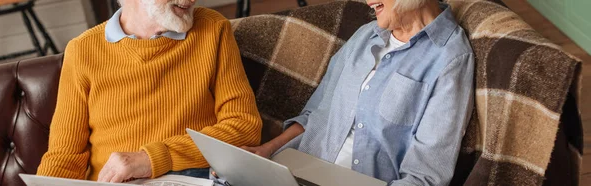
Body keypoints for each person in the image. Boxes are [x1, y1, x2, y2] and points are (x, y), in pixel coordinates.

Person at [242, 0, 474, 185]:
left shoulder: (450, 58)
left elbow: (426, 175)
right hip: (295, 171)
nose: (367, 1)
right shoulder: (365, 35)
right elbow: (315, 116)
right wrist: (266, 150)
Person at [36, 0, 262, 183]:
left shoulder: (213, 28)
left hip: (192, 179)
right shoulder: (82, 51)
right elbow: (65, 156)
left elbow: (244, 126)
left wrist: (152, 158)